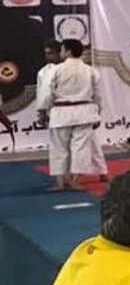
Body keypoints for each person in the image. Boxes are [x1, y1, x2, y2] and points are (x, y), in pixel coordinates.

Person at [36, 39, 103, 192]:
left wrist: (42, 111)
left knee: (59, 148)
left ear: (68, 52)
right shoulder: (90, 70)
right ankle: (75, 181)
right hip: (85, 112)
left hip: (61, 113)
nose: (61, 52)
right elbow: (97, 95)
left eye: (62, 50)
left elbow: (46, 94)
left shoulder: (55, 70)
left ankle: (60, 182)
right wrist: (98, 112)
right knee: (81, 149)